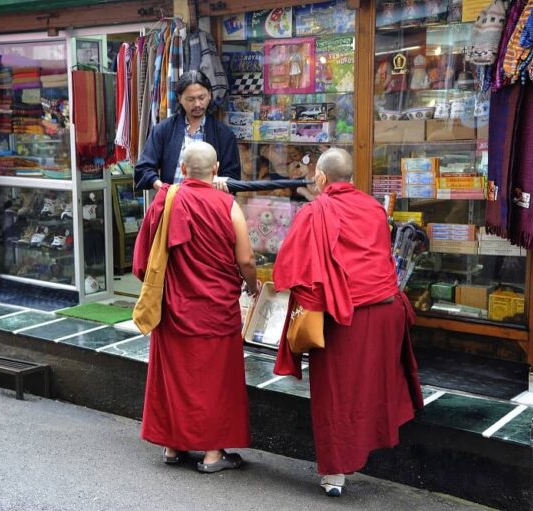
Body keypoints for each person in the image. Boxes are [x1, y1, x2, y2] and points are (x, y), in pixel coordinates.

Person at [272, 148, 423, 497]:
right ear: (351, 178)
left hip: (344, 314)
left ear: (321, 178)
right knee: (373, 385)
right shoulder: (374, 208)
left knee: (335, 394)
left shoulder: (315, 211)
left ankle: (335, 474)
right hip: (385, 309)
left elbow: (291, 266)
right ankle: (369, 446)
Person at [133, 140, 259, 473]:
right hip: (215, 308)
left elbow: (144, 260)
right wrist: (251, 285)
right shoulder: (228, 205)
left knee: (176, 377)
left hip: (174, 307)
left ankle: (173, 446)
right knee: (215, 381)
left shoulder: (166, 200)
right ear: (216, 170)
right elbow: (246, 259)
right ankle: (213, 454)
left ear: (183, 169)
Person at [134, 70, 241, 193]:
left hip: (208, 202)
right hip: (172, 200)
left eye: (201, 98)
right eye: (190, 99)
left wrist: (222, 182)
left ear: (210, 95)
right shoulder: (163, 130)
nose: (197, 104)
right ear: (179, 98)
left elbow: (232, 176)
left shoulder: (224, 134)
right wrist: (163, 189)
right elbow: (143, 169)